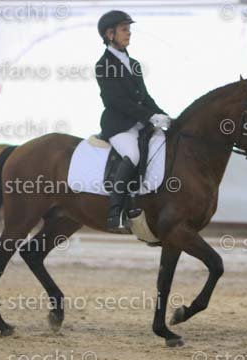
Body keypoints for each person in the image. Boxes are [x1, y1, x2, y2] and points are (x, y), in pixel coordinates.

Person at [95, 10, 171, 231]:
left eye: (129, 29)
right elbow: (116, 101)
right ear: (110, 34)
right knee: (133, 154)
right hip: (118, 125)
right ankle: (115, 213)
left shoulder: (134, 63)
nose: (129, 33)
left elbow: (145, 98)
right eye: (124, 29)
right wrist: (149, 116)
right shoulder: (103, 65)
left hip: (139, 122)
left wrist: (163, 115)